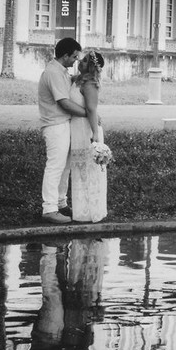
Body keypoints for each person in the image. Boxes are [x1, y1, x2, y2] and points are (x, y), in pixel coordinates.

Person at [37, 37, 90, 224]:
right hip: (54, 124)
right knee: (55, 166)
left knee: (65, 167)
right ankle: (49, 208)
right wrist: (88, 113)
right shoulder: (53, 73)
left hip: (63, 123)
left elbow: (70, 86)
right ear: (65, 55)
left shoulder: (61, 72)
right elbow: (64, 102)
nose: (76, 60)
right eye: (74, 57)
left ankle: (61, 203)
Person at [67, 50, 108, 222]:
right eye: (80, 59)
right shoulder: (76, 80)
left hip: (86, 129)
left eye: (84, 61)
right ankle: (80, 210)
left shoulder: (90, 84)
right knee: (78, 169)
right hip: (75, 127)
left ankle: (91, 211)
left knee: (87, 169)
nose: (79, 62)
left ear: (91, 66)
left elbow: (92, 109)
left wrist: (96, 135)